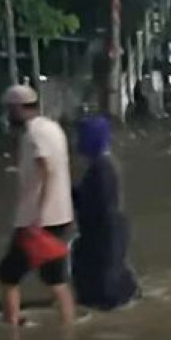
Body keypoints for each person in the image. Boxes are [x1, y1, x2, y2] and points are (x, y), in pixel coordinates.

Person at [0, 84, 76, 327]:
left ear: (18, 109)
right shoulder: (53, 128)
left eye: (10, 110)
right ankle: (69, 325)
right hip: (61, 216)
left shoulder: (34, 134)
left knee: (8, 274)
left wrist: (38, 216)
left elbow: (45, 168)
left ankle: (11, 326)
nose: (8, 116)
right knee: (56, 278)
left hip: (37, 221)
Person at [71, 116, 140, 310]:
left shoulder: (102, 169)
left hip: (104, 231)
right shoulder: (101, 166)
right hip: (106, 230)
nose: (77, 142)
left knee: (104, 287)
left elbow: (97, 204)